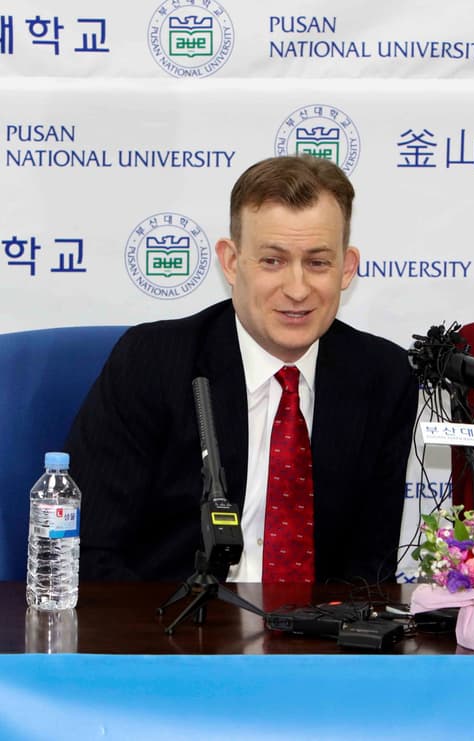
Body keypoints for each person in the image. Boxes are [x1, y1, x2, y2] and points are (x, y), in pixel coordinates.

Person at [66, 155, 418, 584]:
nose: (296, 288)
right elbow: (90, 552)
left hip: (317, 640)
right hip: (172, 631)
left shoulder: (383, 376)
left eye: (318, 262)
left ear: (346, 268)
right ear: (231, 262)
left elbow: (369, 569)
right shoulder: (153, 362)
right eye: (272, 261)